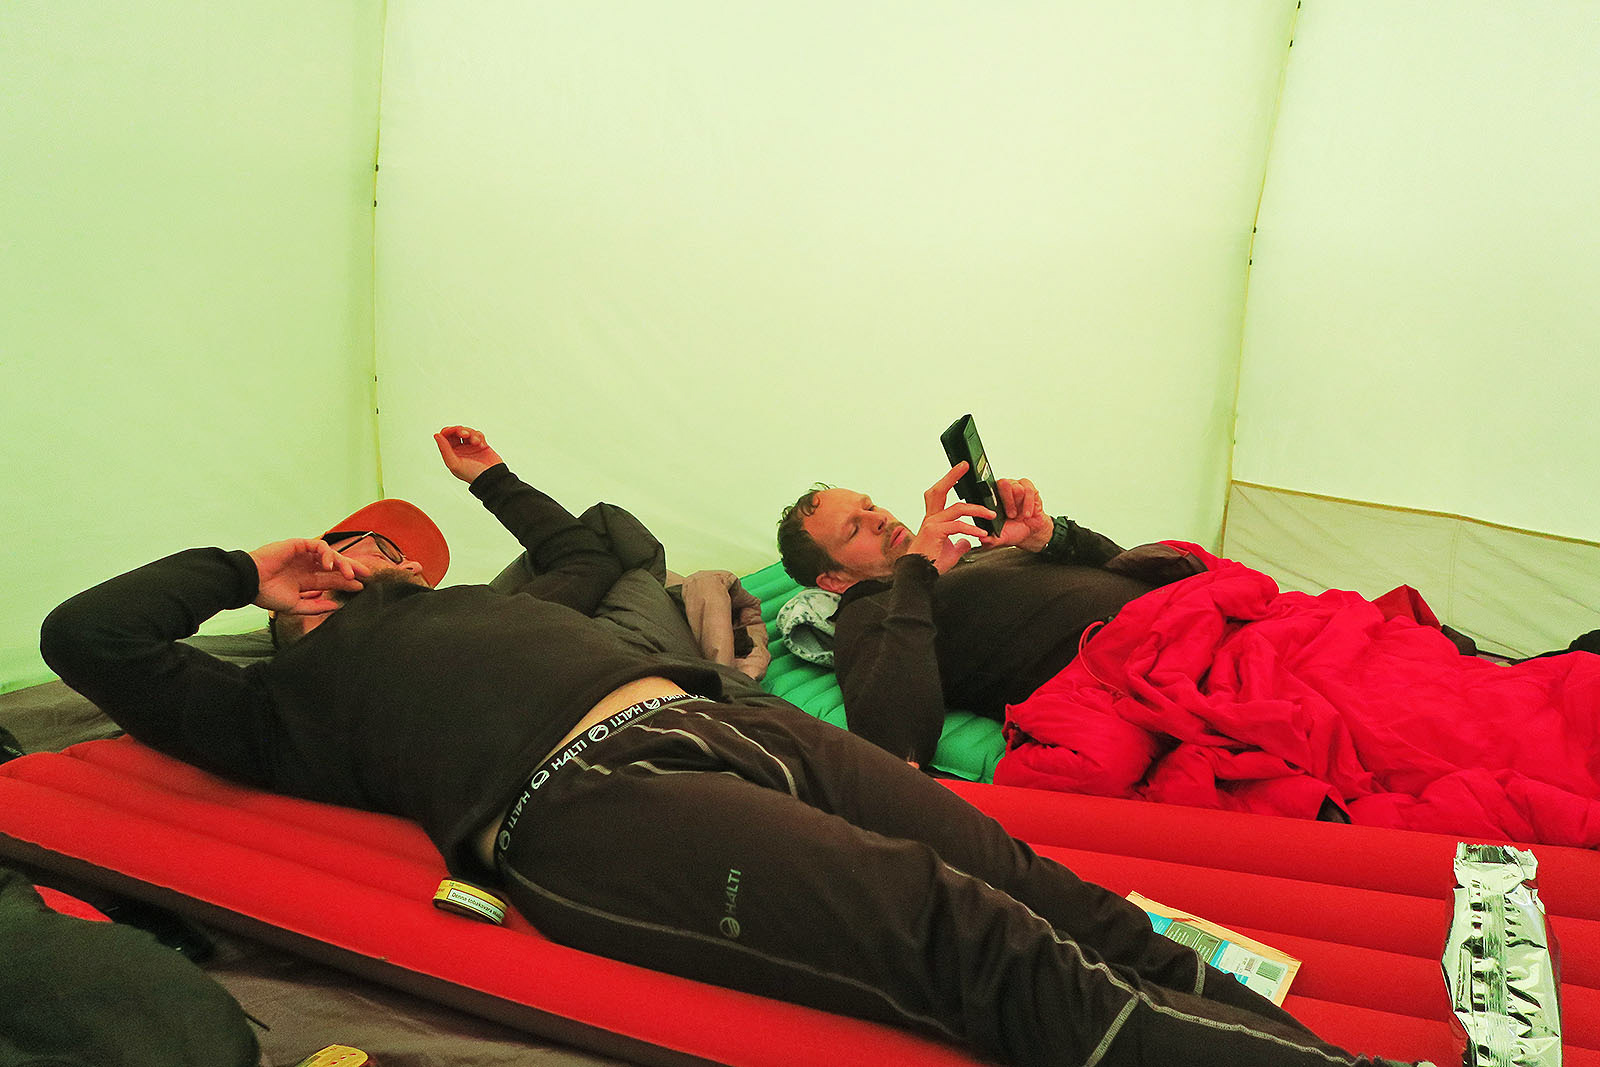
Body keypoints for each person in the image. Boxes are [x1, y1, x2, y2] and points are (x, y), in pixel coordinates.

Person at [41, 427, 1429, 1067]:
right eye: (335, 551)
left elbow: (604, 542)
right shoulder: (277, 702)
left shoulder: (504, 600)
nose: (354, 558)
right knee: (959, 929)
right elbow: (87, 635)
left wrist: (487, 481)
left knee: (1039, 882)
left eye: (370, 545)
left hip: (732, 718)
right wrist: (249, 567)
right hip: (583, 800)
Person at [776, 462, 1180, 767]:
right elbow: (897, 746)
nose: (878, 518)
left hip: (1180, 606)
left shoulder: (960, 555)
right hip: (1157, 664)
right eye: (853, 529)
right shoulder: (868, 612)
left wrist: (1046, 534)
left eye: (869, 506)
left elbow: (1128, 565)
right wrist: (915, 571)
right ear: (833, 579)